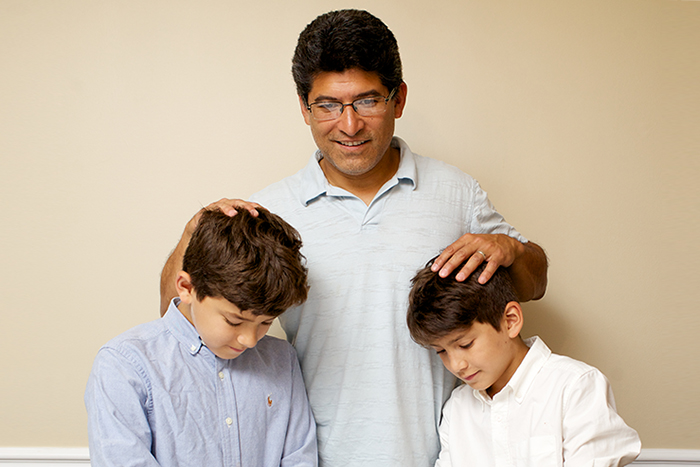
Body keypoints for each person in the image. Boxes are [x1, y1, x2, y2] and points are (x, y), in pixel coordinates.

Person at [160, 9, 548, 467]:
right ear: (304, 107)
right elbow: (175, 322)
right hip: (309, 456)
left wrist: (511, 250)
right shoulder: (270, 212)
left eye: (367, 101)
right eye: (327, 105)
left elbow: (534, 284)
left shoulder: (456, 193)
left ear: (398, 99)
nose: (348, 125)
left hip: (450, 455)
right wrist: (191, 235)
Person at [86, 209, 317, 467]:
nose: (250, 340)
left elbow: (300, 458)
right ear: (186, 288)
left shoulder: (281, 359)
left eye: (266, 322)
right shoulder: (124, 365)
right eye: (234, 321)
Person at [407, 260, 641, 466]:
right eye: (441, 351)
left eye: (466, 344)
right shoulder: (457, 409)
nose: (456, 364)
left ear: (510, 321)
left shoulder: (575, 388)